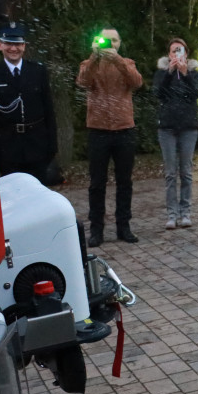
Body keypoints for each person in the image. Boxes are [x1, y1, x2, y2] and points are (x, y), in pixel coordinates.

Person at [77, 26, 144, 246]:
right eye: (106, 41)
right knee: (97, 183)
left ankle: (123, 226)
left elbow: (136, 82)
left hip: (124, 130)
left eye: (114, 41)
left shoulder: (127, 63)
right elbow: (83, 82)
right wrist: (95, 56)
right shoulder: (89, 64)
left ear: (120, 43)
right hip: (98, 131)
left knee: (124, 182)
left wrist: (117, 60)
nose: (110, 45)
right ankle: (96, 229)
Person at [0, 23, 58, 182]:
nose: (13, 48)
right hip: (7, 146)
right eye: (9, 44)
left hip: (37, 144)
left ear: (24, 46)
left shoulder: (38, 71)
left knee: (38, 194)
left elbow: (48, 110)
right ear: (0, 45)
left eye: (18, 44)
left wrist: (52, 144)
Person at [153, 37, 198, 230]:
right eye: (174, 51)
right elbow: (158, 93)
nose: (176, 54)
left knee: (186, 172)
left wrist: (185, 74)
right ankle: (171, 215)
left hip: (188, 127)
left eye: (180, 50)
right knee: (170, 173)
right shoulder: (161, 73)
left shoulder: (195, 73)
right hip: (167, 128)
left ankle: (186, 212)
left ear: (186, 53)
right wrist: (170, 73)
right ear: (169, 54)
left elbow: (197, 92)